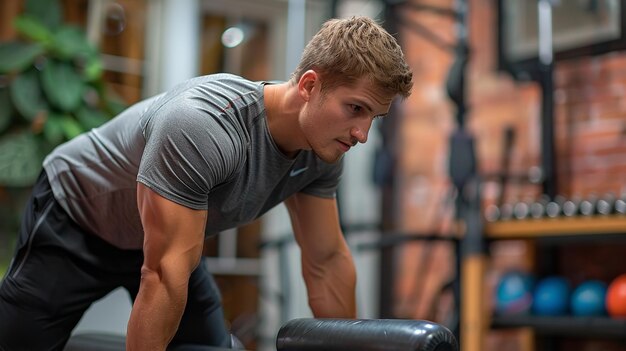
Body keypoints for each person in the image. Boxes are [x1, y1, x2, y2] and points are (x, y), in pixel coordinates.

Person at [0, 15, 412, 351]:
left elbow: (325, 264)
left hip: (163, 241)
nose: (361, 134)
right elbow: (161, 274)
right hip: (78, 218)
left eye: (372, 118)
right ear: (309, 85)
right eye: (354, 108)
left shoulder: (322, 150)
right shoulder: (204, 125)